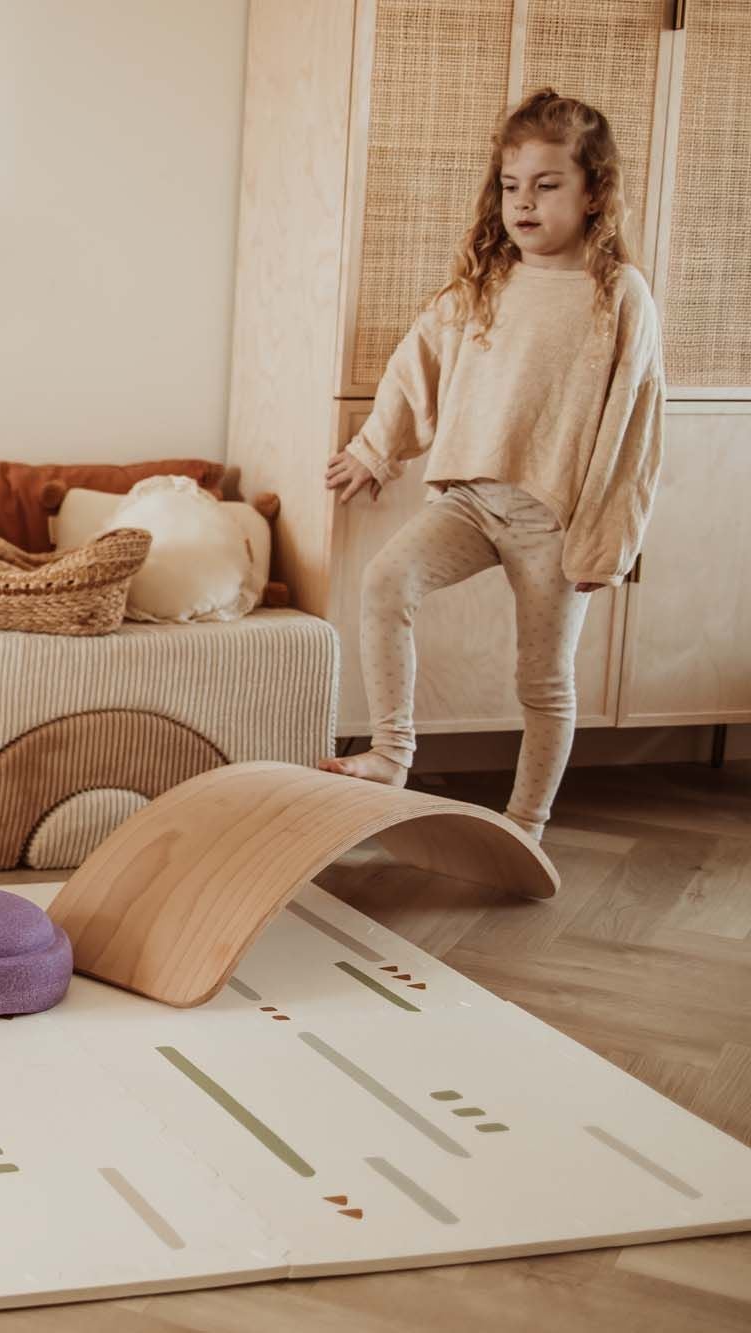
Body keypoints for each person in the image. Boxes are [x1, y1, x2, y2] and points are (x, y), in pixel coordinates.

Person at [321, 89, 665, 841]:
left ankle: (525, 823)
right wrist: (374, 449)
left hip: (555, 522)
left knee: (542, 680)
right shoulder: (486, 281)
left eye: (547, 185)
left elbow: (638, 427)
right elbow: (419, 364)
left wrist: (607, 543)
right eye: (511, 187)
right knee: (385, 580)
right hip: (472, 503)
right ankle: (389, 751)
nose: (524, 204)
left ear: (593, 192)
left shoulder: (618, 295)